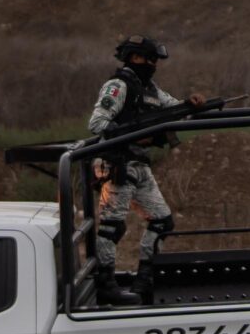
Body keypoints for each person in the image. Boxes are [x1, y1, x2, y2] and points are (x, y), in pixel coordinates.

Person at [84, 36, 211, 265]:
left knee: (162, 222)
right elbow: (97, 123)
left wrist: (193, 104)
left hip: (139, 165)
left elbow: (175, 108)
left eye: (155, 60)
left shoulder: (151, 89)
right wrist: (134, 136)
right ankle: (106, 284)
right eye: (150, 59)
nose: (154, 64)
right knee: (112, 228)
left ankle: (146, 277)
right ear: (134, 58)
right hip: (116, 165)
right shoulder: (118, 86)